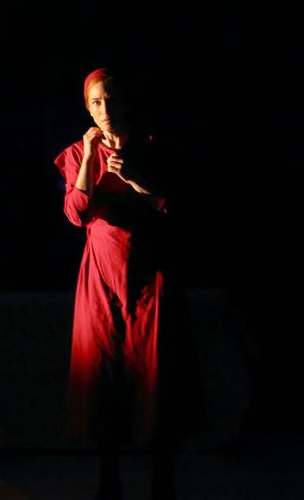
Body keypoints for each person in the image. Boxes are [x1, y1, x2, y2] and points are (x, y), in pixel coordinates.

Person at [53, 68, 175, 500]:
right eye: (96, 103)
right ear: (87, 108)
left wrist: (136, 178)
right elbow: (76, 213)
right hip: (101, 276)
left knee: (156, 371)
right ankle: (109, 478)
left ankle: (163, 476)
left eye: (110, 100)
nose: (104, 109)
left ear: (124, 101)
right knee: (104, 373)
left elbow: (170, 206)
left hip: (148, 273)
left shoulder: (149, 146)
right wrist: (90, 157)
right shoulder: (77, 152)